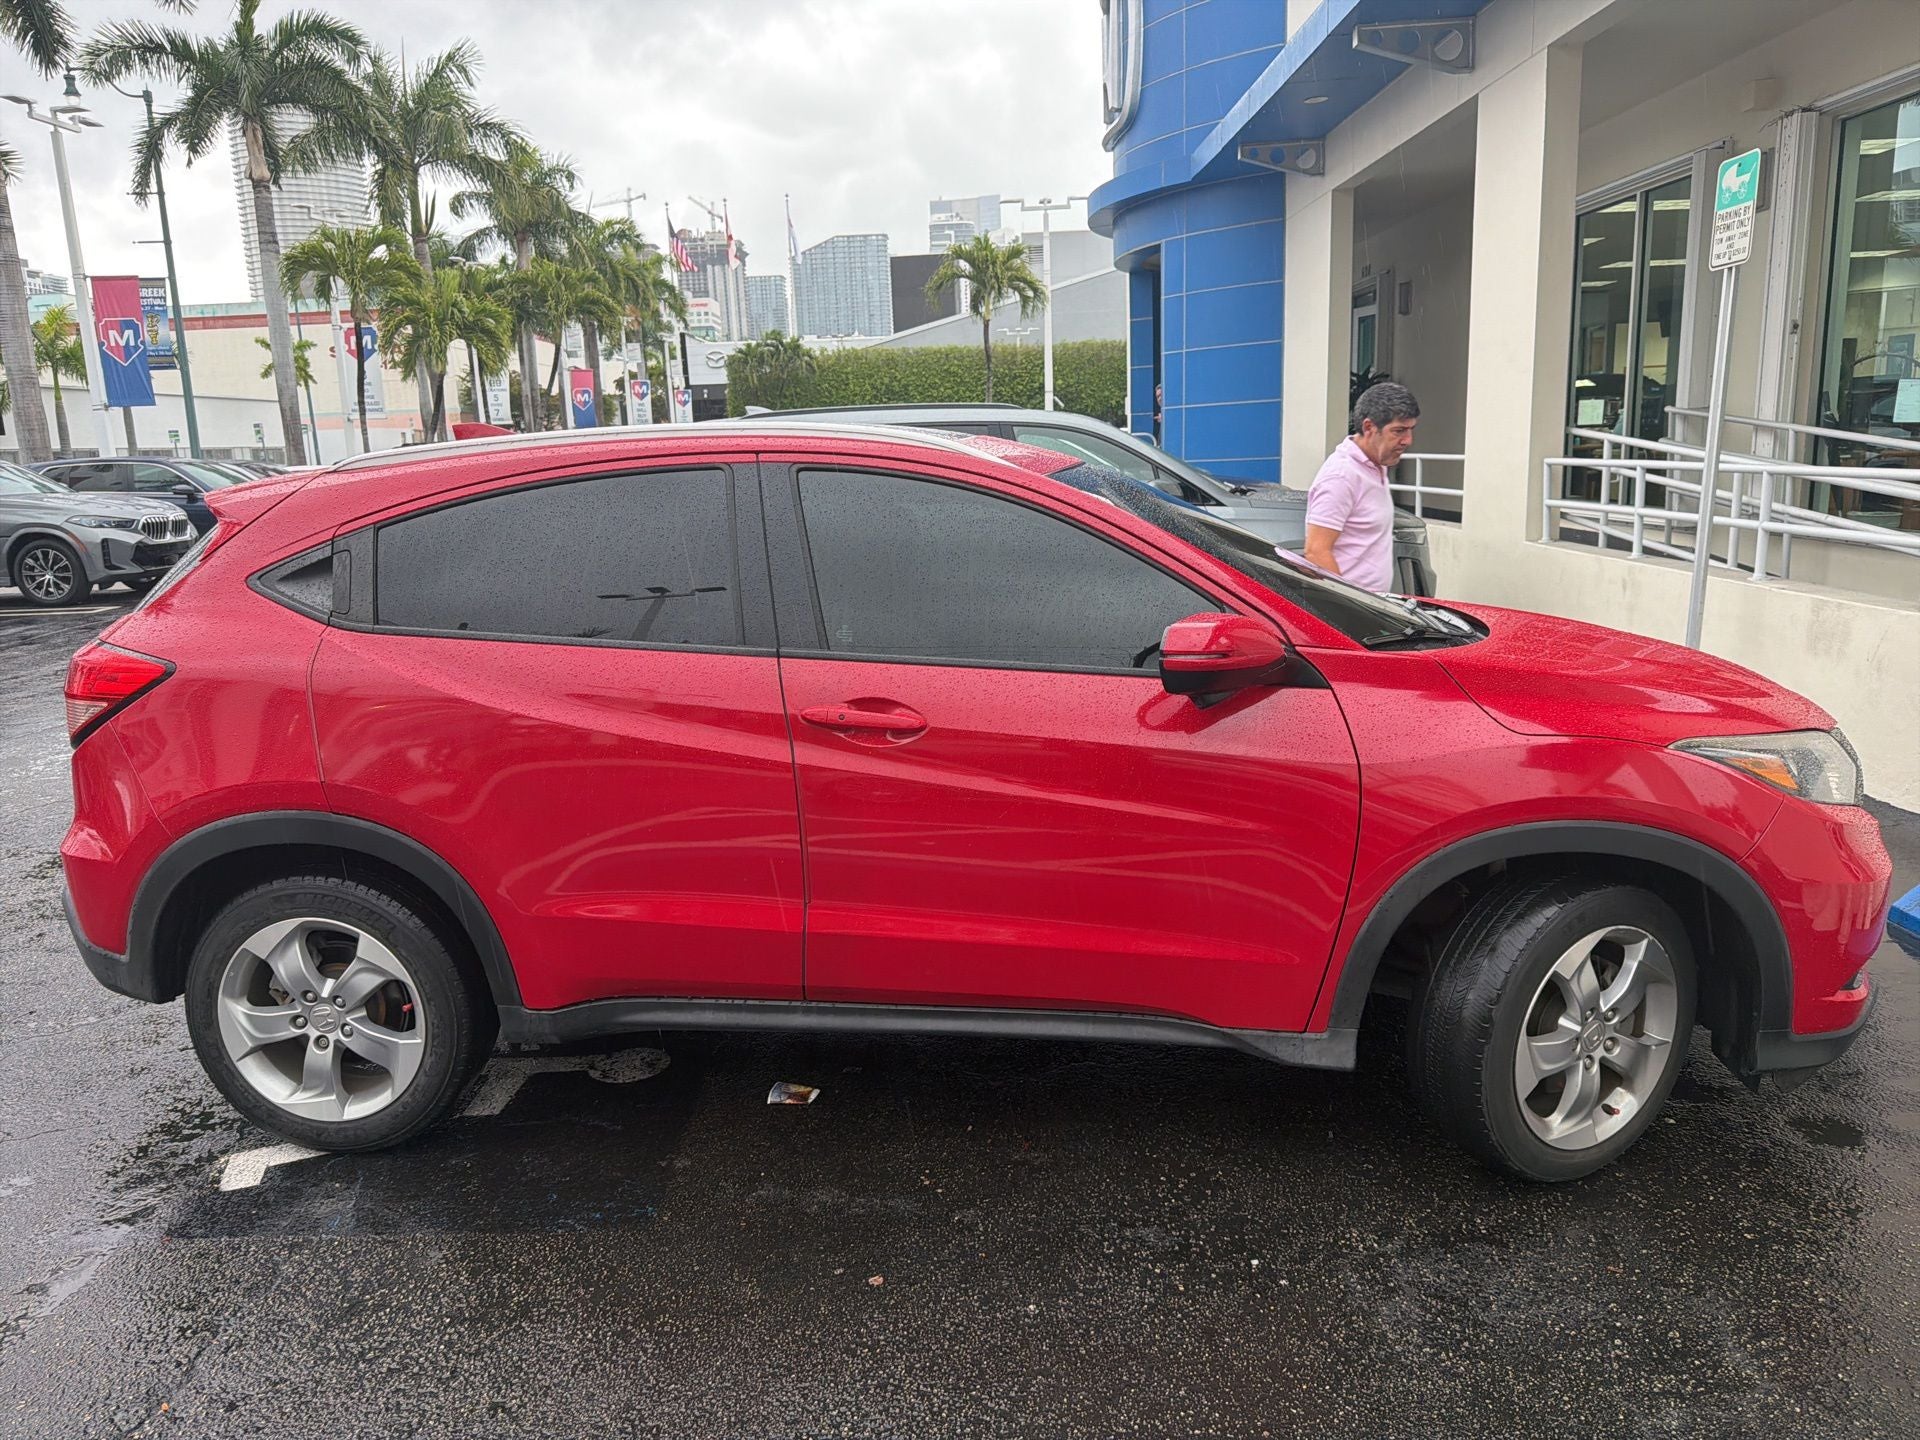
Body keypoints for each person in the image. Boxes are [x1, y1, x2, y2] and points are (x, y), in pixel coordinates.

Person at [1304, 382, 1419, 593]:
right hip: (1351, 615)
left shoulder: (1376, 464)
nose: (1408, 440)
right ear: (1369, 428)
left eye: (1411, 430)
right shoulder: (1341, 476)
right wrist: (1353, 608)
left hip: (1374, 607)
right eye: (1399, 431)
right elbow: (1316, 552)